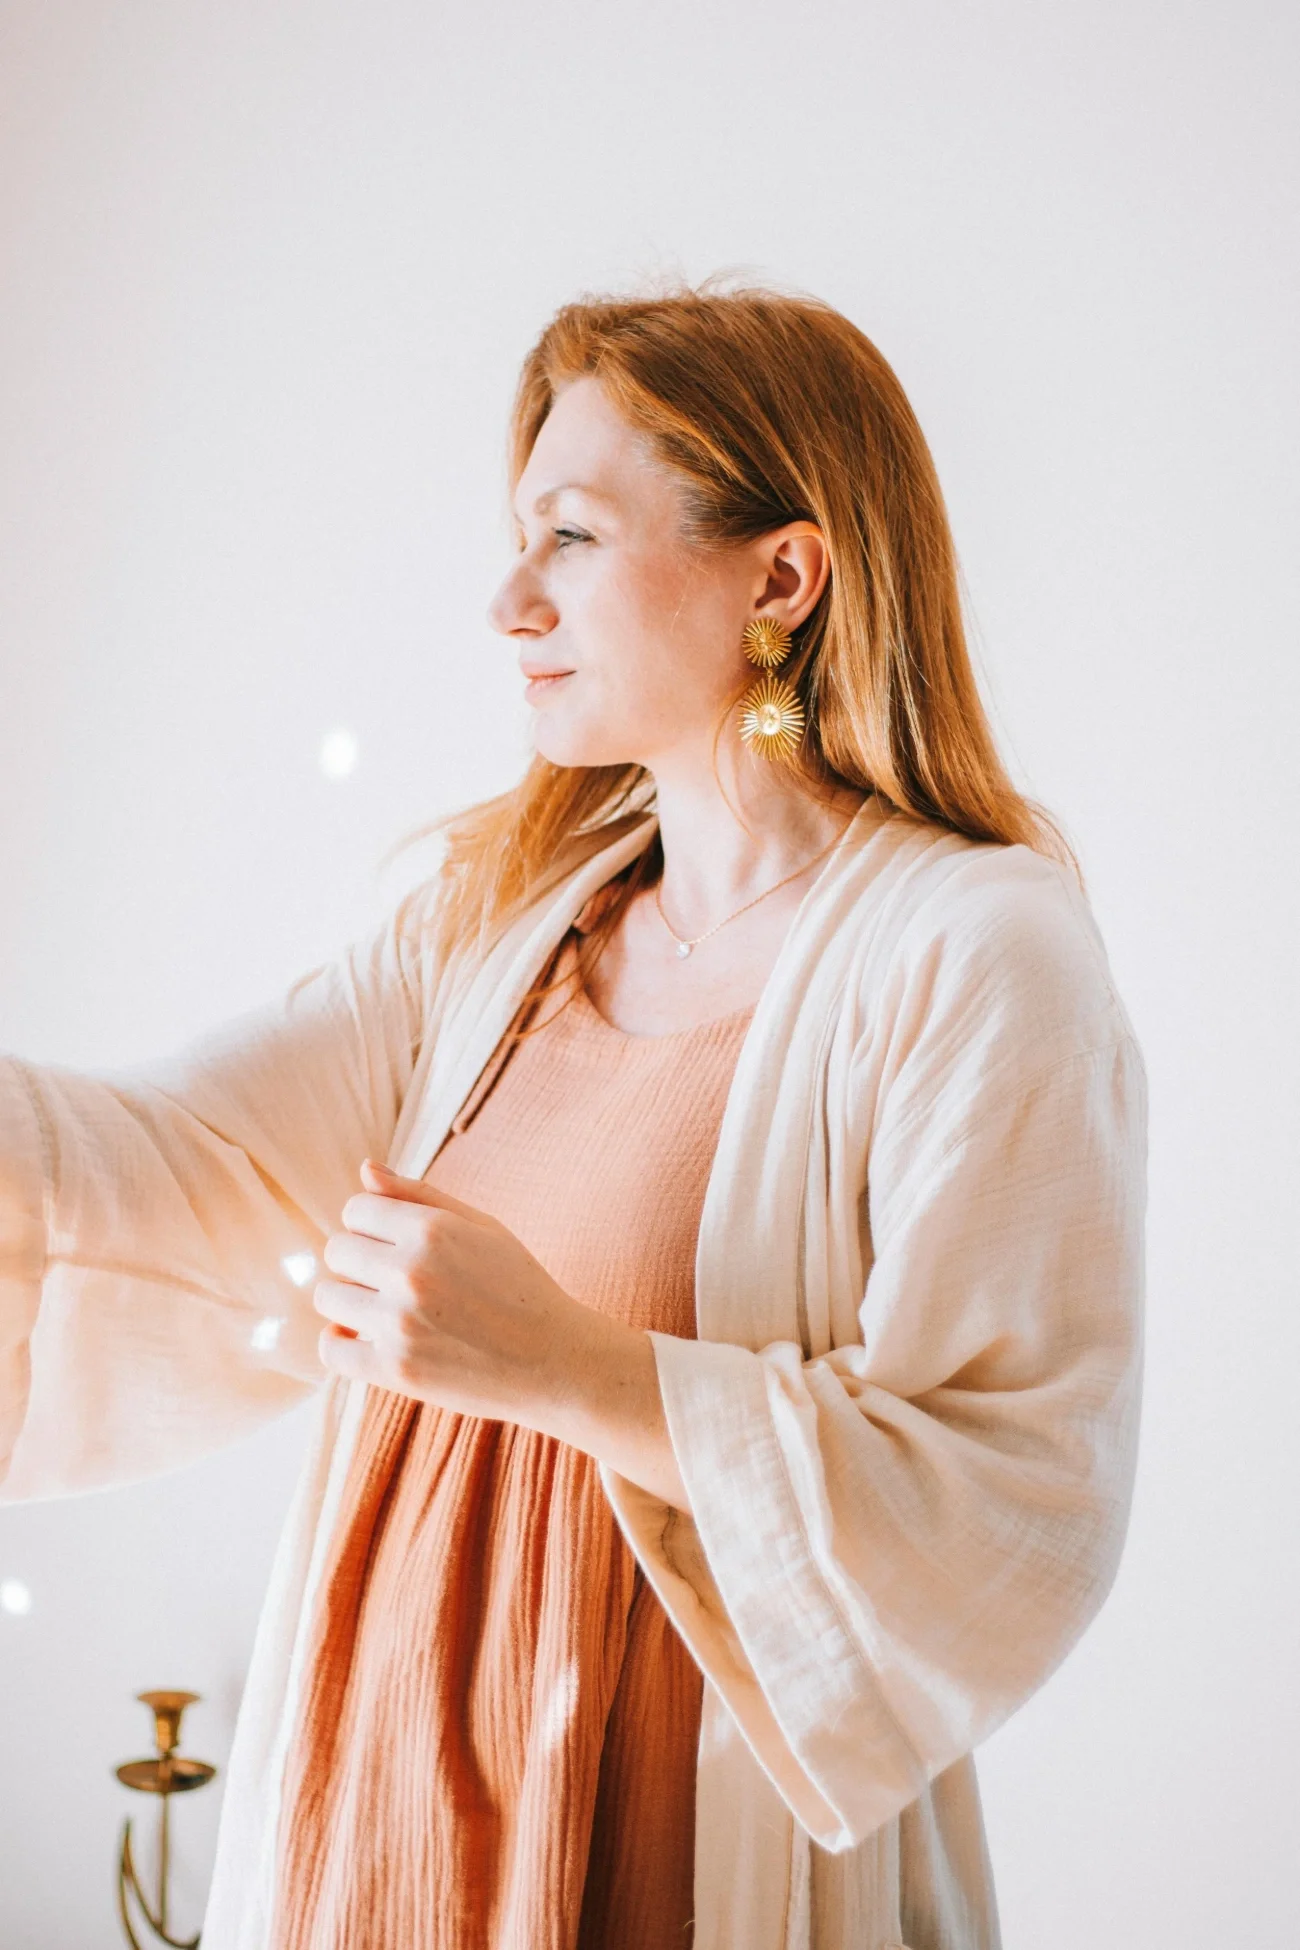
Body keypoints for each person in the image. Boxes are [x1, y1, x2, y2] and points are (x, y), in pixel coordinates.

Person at [0, 285, 1146, 1950]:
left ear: (782, 579)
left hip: (667, 1837)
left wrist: (563, 1364)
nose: (509, 599)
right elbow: (173, 1173)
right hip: (372, 1824)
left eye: (573, 536)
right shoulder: (495, 928)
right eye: (519, 536)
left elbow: (1012, 1492)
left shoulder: (976, 952)